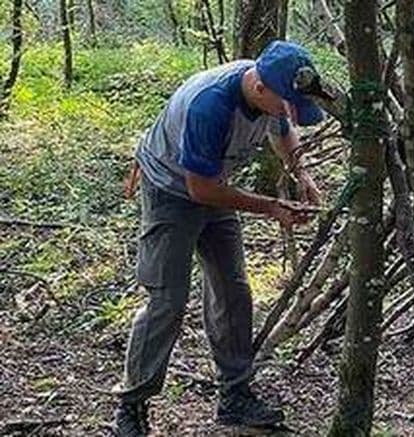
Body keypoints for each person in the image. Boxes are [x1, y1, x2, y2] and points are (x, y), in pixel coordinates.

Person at [114, 41, 326, 436]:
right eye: (286, 104)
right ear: (260, 89)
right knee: (167, 300)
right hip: (171, 190)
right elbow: (200, 190)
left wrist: (303, 173)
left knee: (233, 290)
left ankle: (234, 396)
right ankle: (132, 403)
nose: (288, 113)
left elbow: (284, 132)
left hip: (213, 184)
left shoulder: (273, 91)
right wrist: (271, 207)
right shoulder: (210, 105)